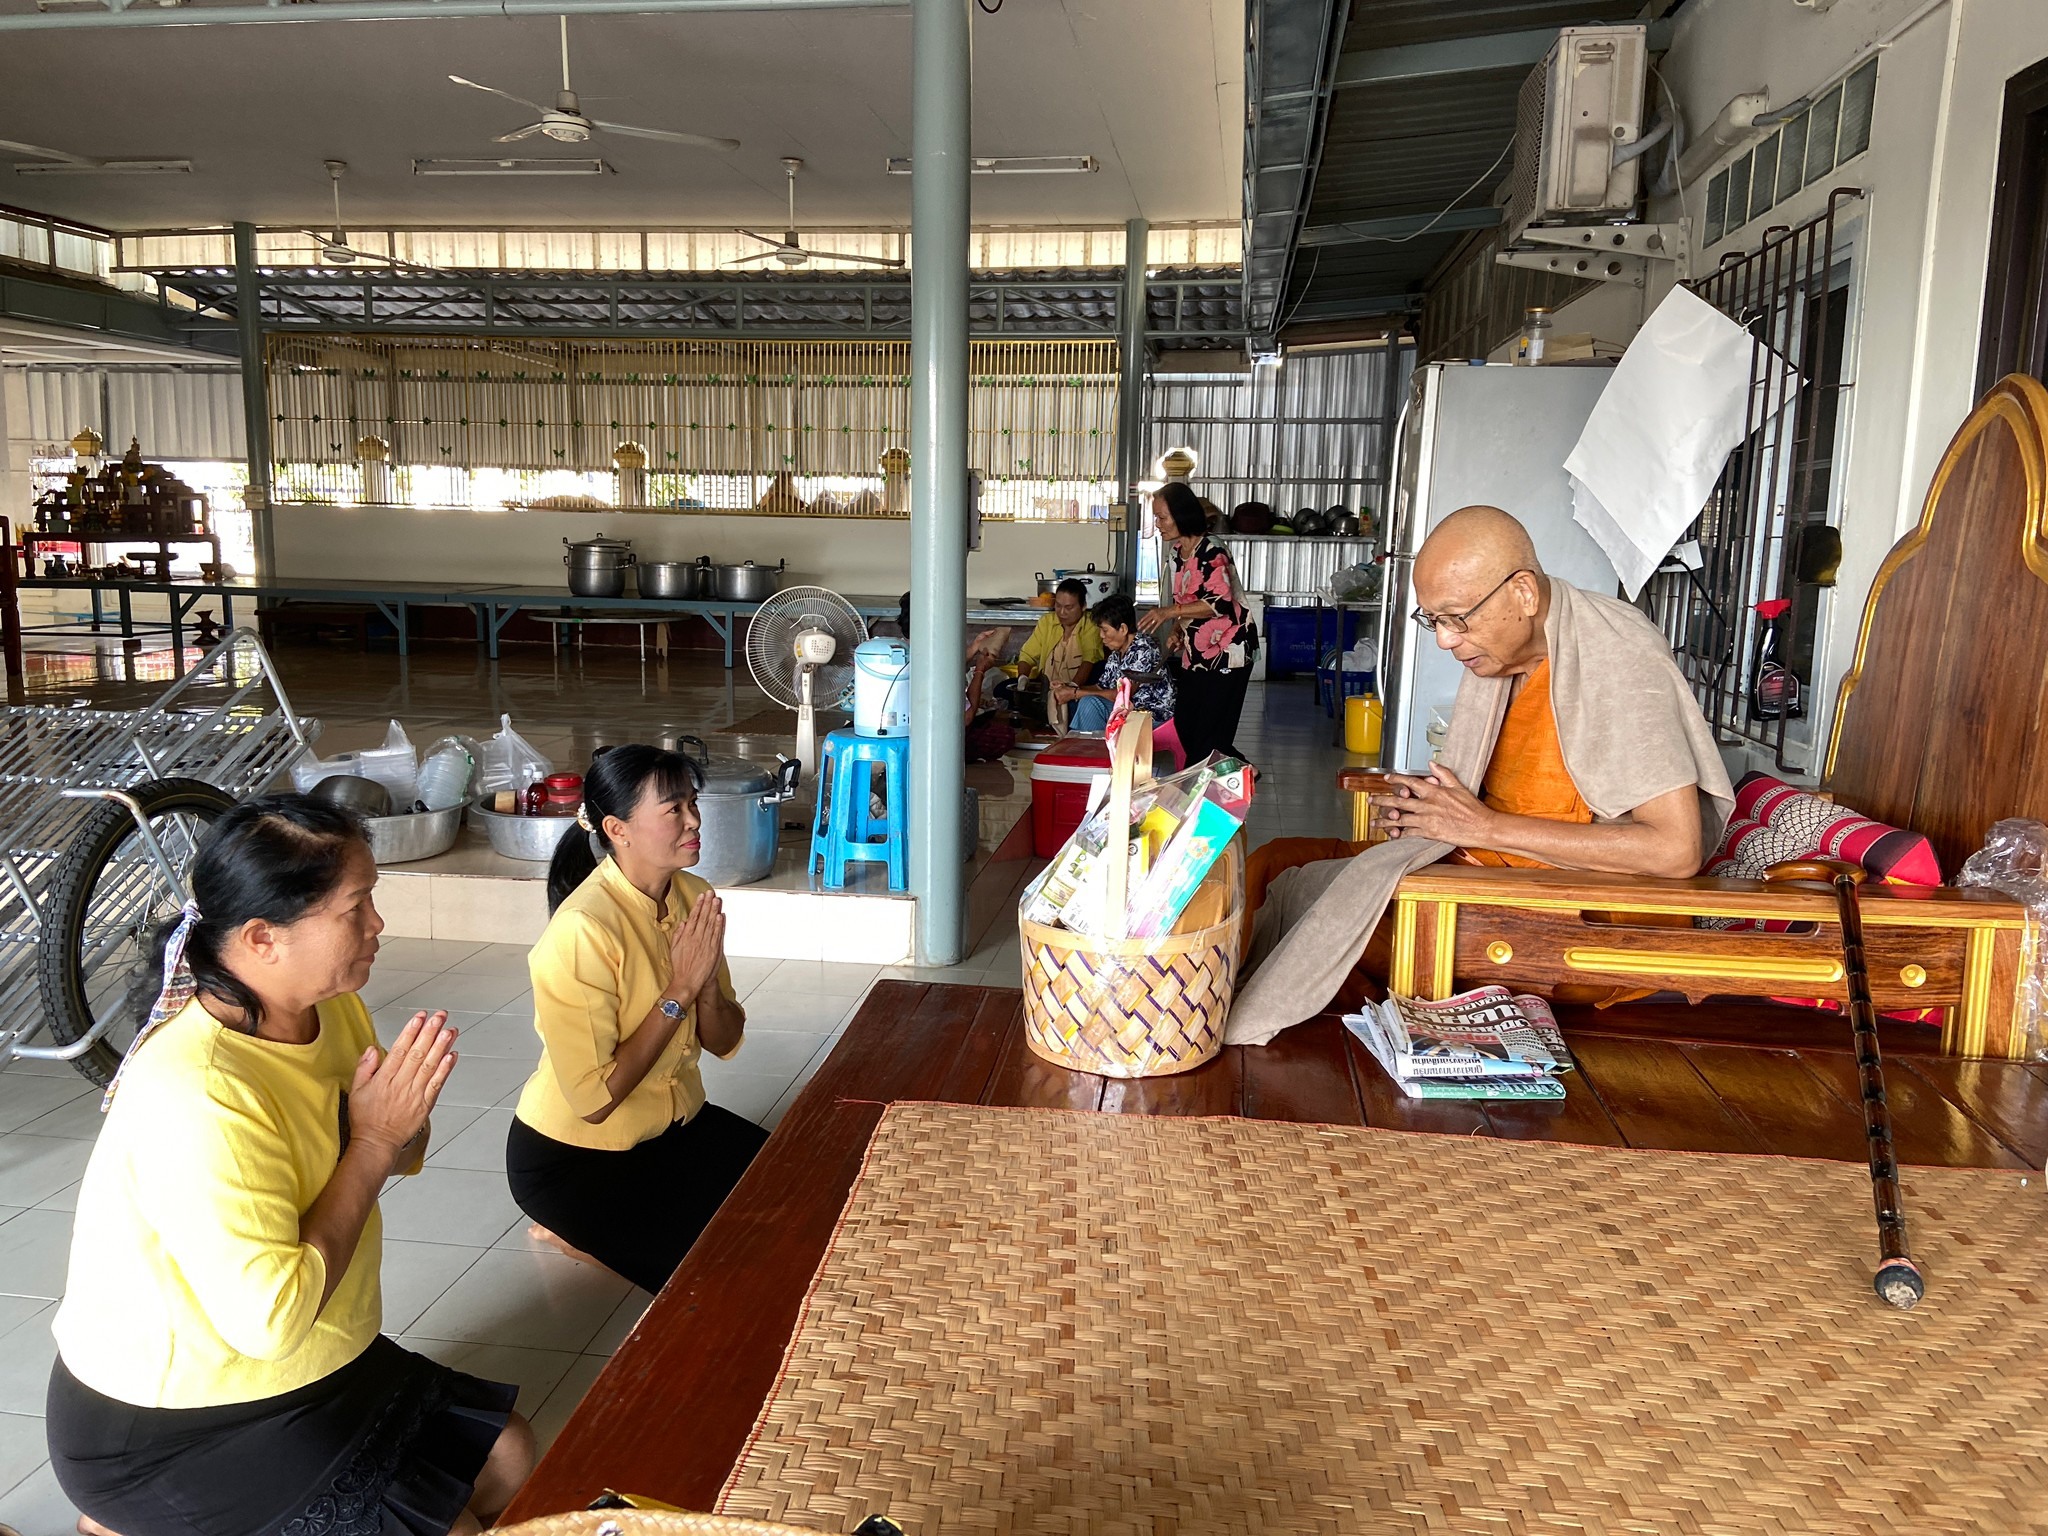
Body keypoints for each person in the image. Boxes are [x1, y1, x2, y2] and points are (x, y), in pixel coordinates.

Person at [46, 796, 532, 1536]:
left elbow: (390, 1146)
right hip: (172, 1418)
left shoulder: (327, 1007)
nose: (377, 925)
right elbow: (269, 1321)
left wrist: (394, 1127)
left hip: (311, 1354)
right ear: (262, 937)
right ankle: (129, 1521)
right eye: (356, 907)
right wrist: (373, 1143)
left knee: (511, 1458)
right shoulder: (199, 1087)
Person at [1226, 505, 1735, 1046]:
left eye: (1457, 619)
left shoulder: (1617, 658)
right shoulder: (1511, 656)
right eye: (1435, 621)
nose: (1446, 641)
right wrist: (1432, 813)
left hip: (1559, 908)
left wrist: (1481, 828)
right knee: (1271, 862)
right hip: (1486, 865)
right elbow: (1496, 797)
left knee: (1314, 924)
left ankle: (1317, 1058)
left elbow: (1675, 850)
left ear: (1523, 593)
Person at [507, 744, 768, 1295]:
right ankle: (572, 1233)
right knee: (717, 1283)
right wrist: (678, 990)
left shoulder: (694, 895)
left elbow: (726, 1040)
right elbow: (595, 1101)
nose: (694, 819)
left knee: (808, 1187)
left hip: (675, 1128)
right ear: (617, 829)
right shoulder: (583, 930)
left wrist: (703, 991)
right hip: (576, 1159)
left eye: (692, 803)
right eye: (673, 809)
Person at [1142, 481, 1259, 765]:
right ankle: (1244, 771)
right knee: (1186, 727)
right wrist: (1177, 630)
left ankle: (1229, 781)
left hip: (1228, 655)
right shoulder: (1177, 553)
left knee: (1209, 738)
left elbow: (1219, 602)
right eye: (1156, 517)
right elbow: (1187, 599)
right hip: (1196, 655)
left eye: (1162, 517)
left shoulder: (1212, 550)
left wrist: (1167, 613)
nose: (1157, 524)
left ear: (1182, 515)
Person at [1053, 592, 1175, 734]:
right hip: (1129, 712)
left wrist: (1075, 693)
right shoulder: (1116, 653)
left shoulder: (1143, 648)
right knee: (1083, 701)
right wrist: (1068, 687)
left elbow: (1122, 696)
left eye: (1105, 630)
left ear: (1123, 629)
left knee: (1090, 704)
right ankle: (1092, 749)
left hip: (1152, 718)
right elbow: (1100, 688)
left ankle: (1093, 752)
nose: (1101, 636)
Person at [1013, 578, 1104, 731]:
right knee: (1003, 690)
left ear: (1083, 606)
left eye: (1069, 607)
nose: (1062, 612)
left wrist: (1072, 688)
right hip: (1046, 689)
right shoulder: (1047, 622)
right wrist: (1023, 678)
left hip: (1077, 690)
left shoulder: (1091, 625)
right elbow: (1027, 655)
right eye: (1058, 606)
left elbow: (1090, 659)